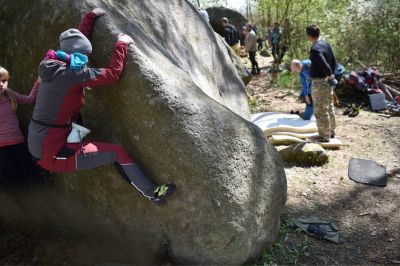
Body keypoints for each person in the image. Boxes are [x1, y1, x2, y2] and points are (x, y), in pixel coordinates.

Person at [27, 8, 175, 204]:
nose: (87, 61)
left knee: (83, 123)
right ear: (77, 56)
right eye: (84, 57)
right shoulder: (74, 75)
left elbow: (77, 41)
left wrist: (90, 17)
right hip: (53, 153)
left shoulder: (54, 62)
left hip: (42, 139)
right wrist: (122, 44)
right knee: (116, 152)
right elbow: (113, 74)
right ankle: (153, 193)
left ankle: (110, 163)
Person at [0, 66, 40, 186]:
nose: (2, 84)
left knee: (30, 176)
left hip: (18, 142)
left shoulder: (9, 94)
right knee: (11, 180)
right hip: (2, 148)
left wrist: (38, 82)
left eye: (4, 81)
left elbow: (29, 100)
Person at [306, 24, 337, 142]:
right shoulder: (326, 44)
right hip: (327, 80)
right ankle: (331, 131)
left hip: (319, 82)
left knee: (320, 109)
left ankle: (324, 135)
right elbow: (333, 60)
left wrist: (329, 74)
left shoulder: (315, 49)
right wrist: (331, 75)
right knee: (329, 106)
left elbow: (323, 63)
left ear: (309, 35)